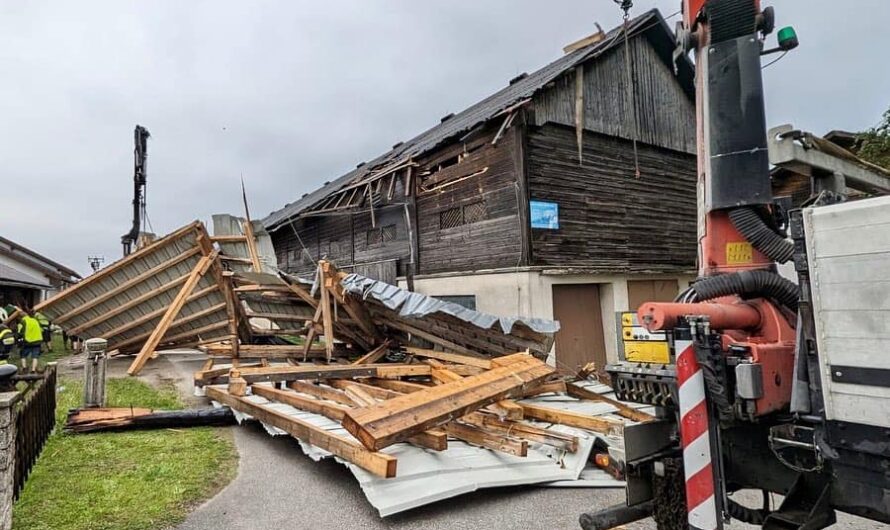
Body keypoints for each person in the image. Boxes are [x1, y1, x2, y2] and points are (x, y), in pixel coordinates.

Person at [16, 308, 43, 373]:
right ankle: (33, 370)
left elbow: (20, 333)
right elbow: (41, 329)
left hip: (27, 342)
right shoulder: (35, 320)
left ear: (20, 317)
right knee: (35, 356)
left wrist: (18, 339)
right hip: (37, 341)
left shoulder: (22, 322)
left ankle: (24, 368)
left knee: (23, 355)